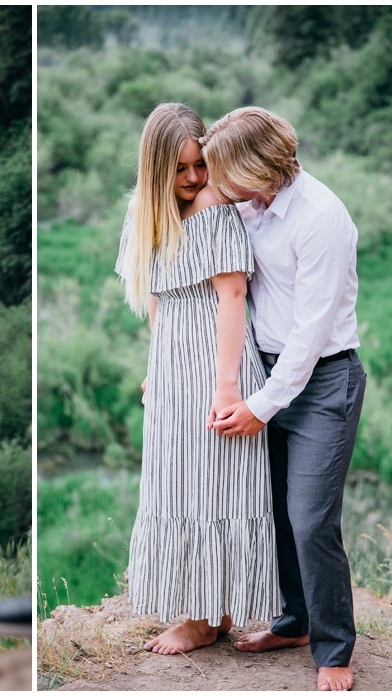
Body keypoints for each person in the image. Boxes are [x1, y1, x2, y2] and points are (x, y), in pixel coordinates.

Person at [205, 107, 364, 693]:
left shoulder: (321, 217)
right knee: (275, 513)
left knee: (312, 519)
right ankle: (295, 622)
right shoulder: (253, 203)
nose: (220, 186)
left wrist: (259, 406)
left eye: (227, 174)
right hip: (269, 373)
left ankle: (335, 650)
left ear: (260, 168)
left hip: (323, 381)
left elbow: (311, 332)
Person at [113, 102, 279, 656]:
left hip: (218, 362)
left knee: (218, 484)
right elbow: (159, 298)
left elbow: (233, 296)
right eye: (181, 169)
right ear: (156, 167)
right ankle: (209, 610)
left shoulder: (213, 207)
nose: (193, 178)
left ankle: (208, 617)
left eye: (199, 165)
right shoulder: (146, 212)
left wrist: (227, 386)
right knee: (178, 481)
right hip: (172, 368)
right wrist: (153, 367)